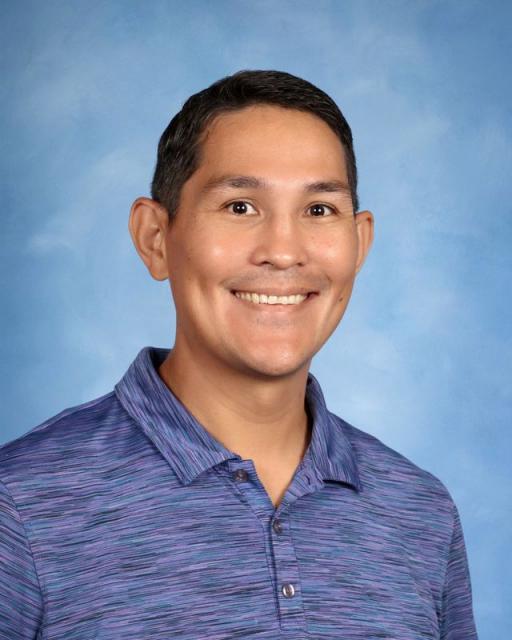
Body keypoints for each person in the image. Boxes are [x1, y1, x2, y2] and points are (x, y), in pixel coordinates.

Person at [0, 70, 478, 639]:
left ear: (360, 242)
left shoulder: (420, 513)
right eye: (240, 206)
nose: (282, 251)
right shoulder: (21, 509)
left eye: (319, 210)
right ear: (155, 237)